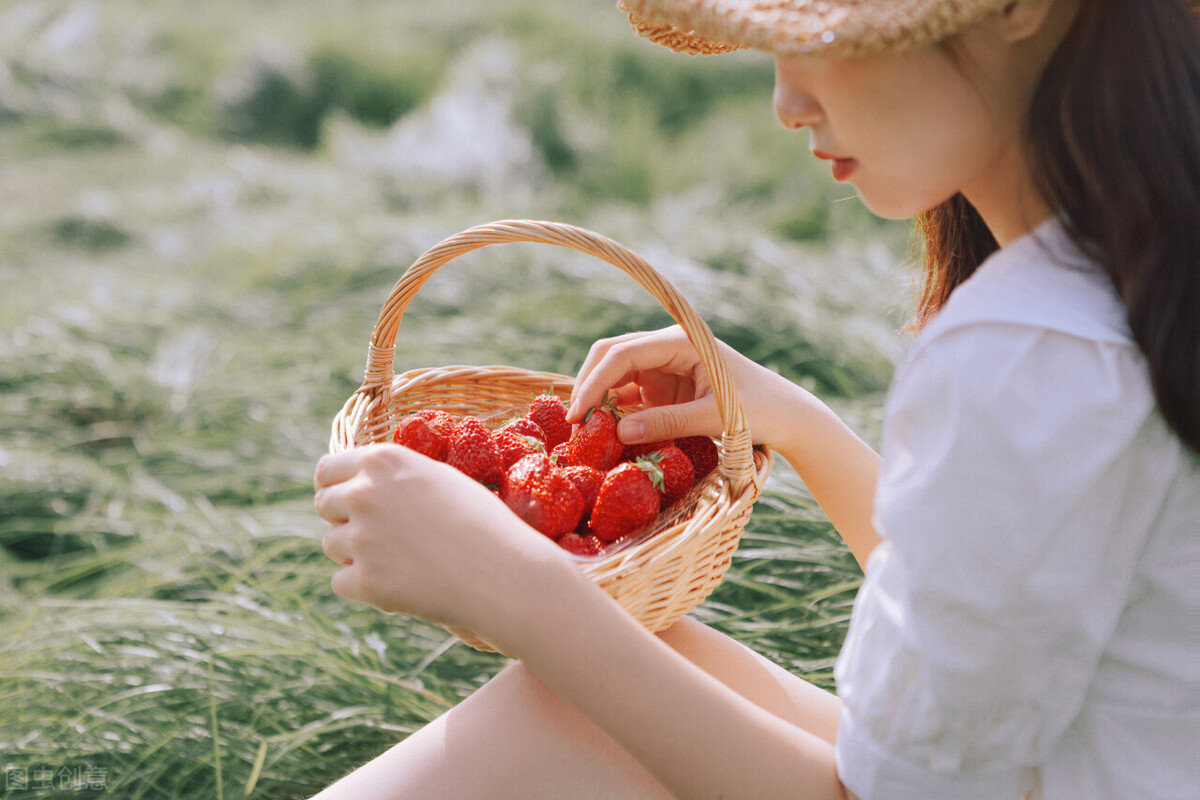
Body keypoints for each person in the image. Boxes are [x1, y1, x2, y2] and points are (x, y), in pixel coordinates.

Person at [310, 0, 1200, 797]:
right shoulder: (1128, 284)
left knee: (566, 700)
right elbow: (1004, 617)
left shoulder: (1026, 350)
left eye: (826, 31)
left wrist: (518, 586)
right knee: (635, 668)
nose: (787, 102)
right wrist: (797, 422)